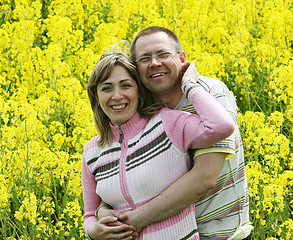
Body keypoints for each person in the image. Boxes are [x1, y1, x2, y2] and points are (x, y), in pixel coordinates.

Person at [96, 26, 253, 239]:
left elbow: (204, 178)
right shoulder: (139, 108)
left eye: (162, 54)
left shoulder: (210, 94)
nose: (154, 63)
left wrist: (136, 220)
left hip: (217, 235)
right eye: (144, 59)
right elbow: (124, 172)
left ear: (182, 58)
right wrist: (102, 210)